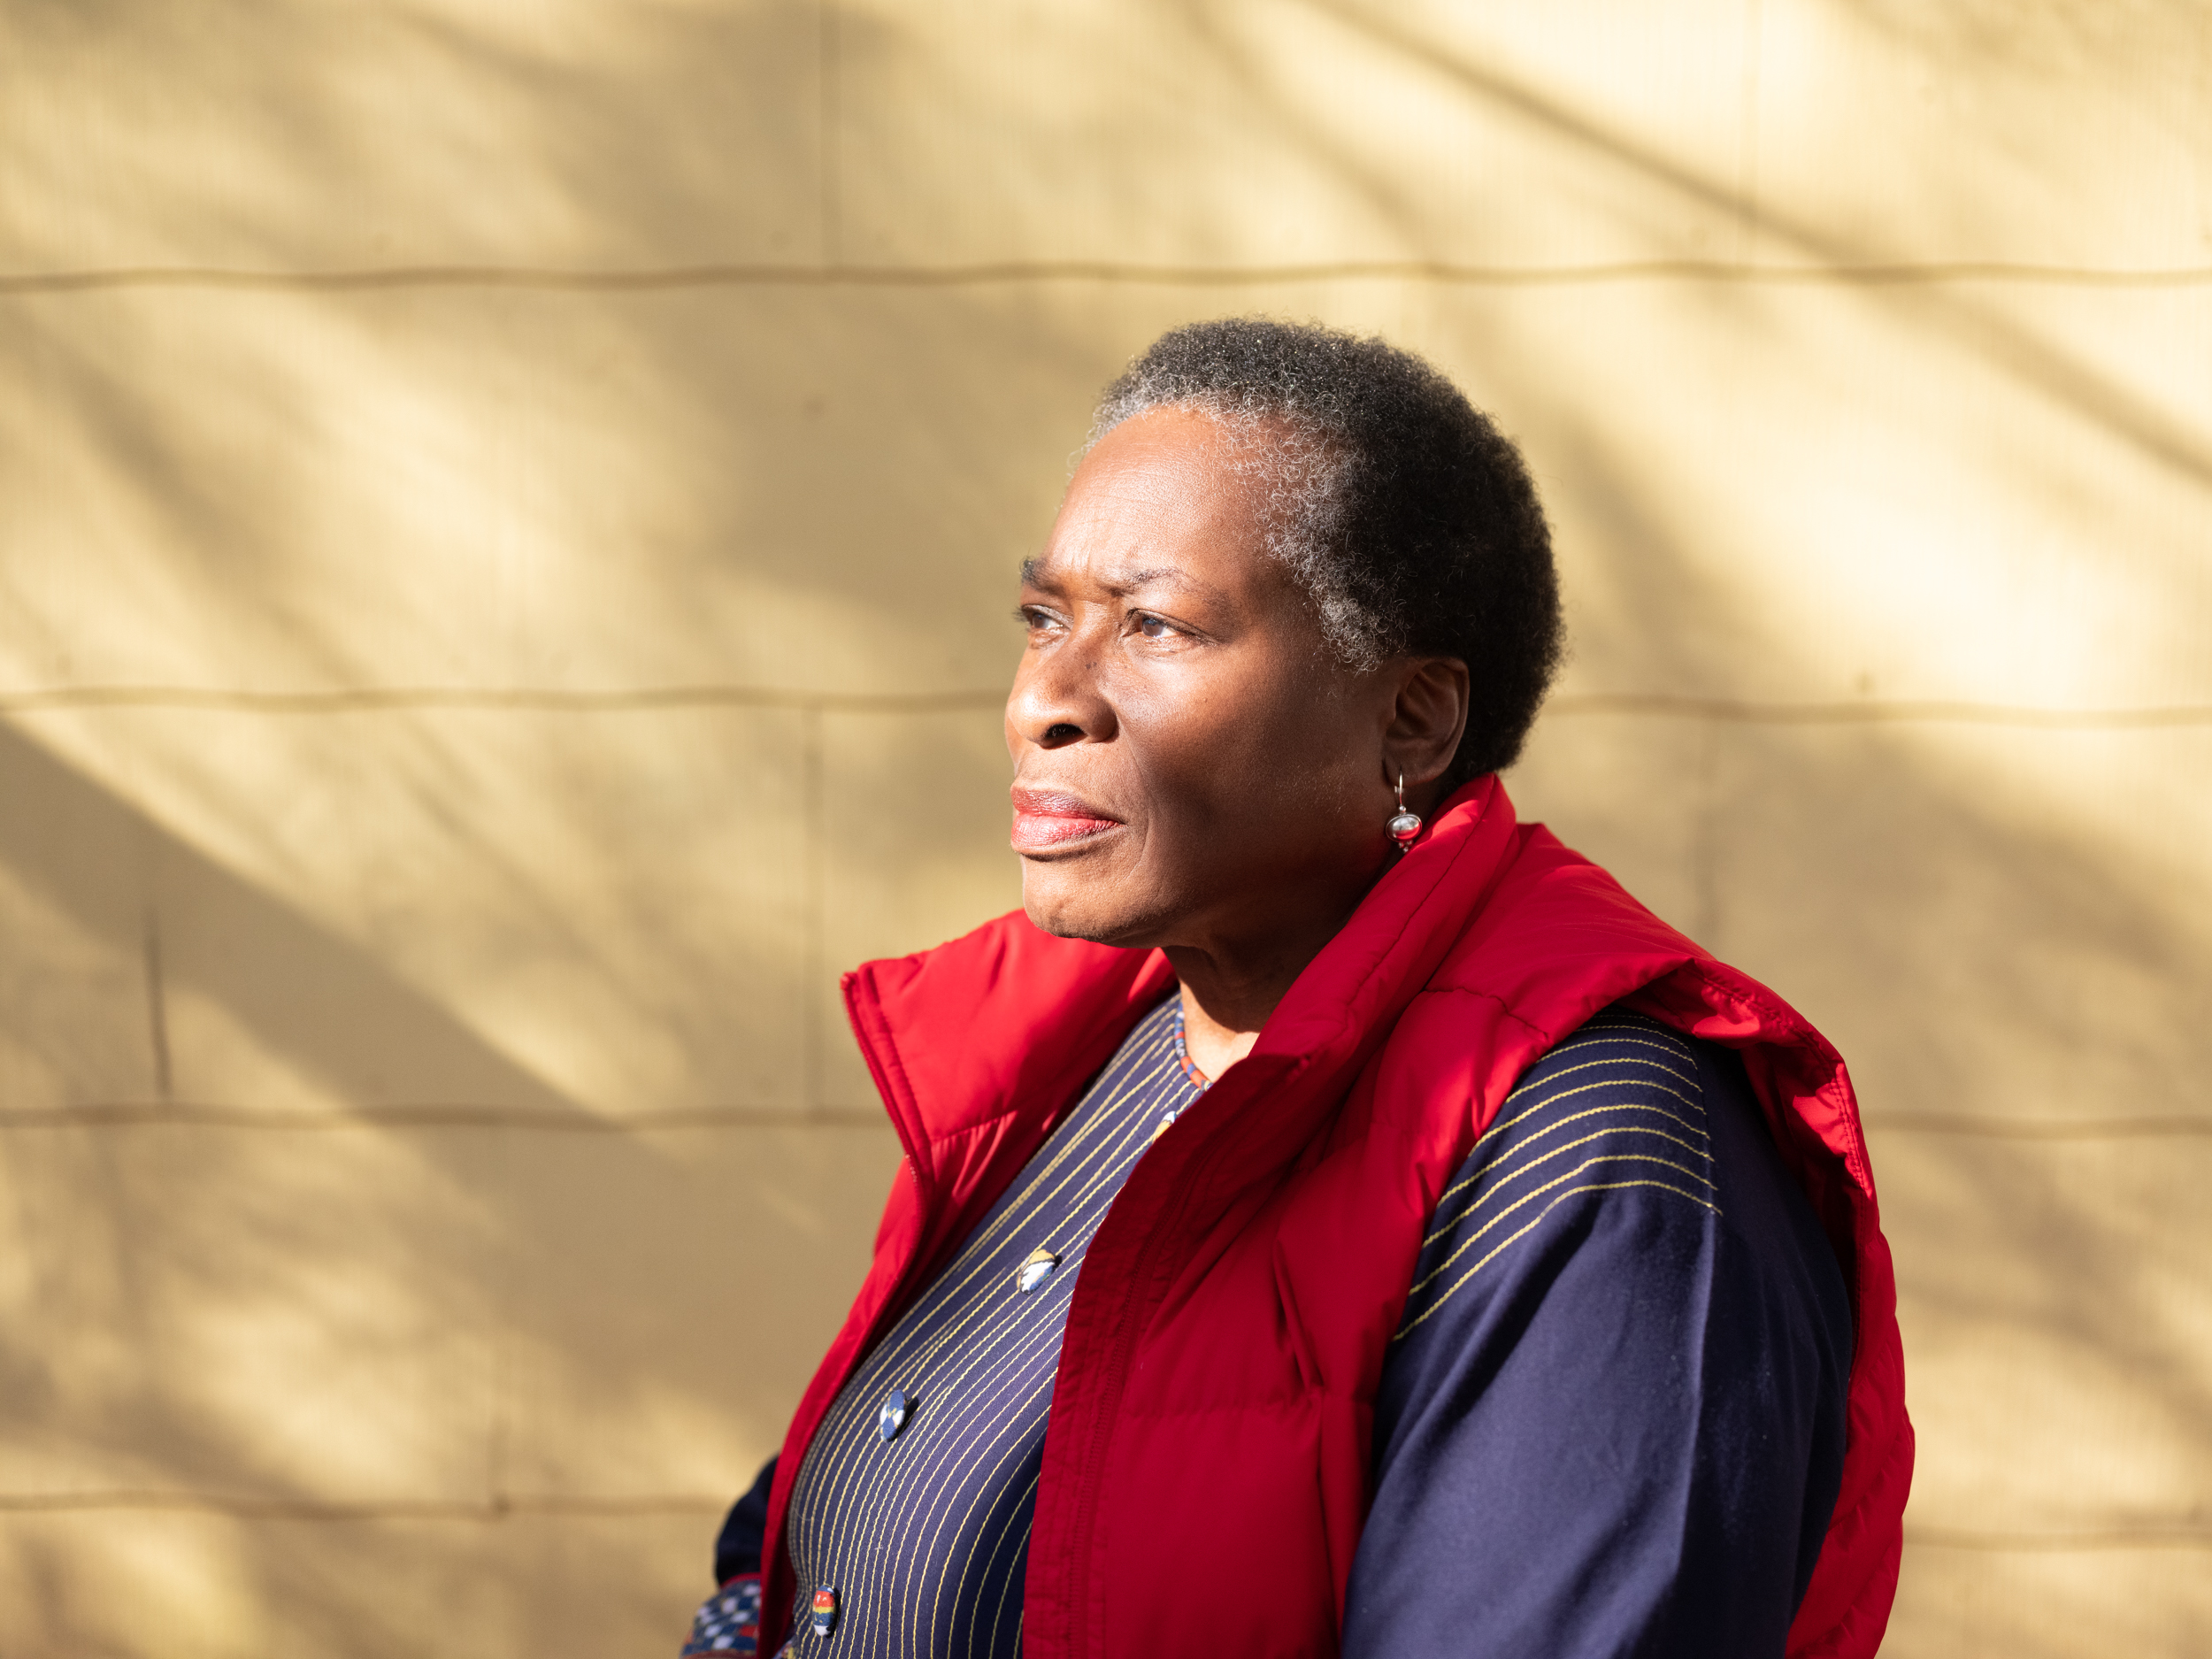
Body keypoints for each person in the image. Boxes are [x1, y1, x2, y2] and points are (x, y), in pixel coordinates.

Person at [682, 319, 1910, 1658]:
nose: (1046, 696)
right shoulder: (1077, 1054)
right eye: (1046, 617)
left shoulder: (1597, 1158)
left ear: (1413, 722)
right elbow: (830, 1539)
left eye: (1155, 625)